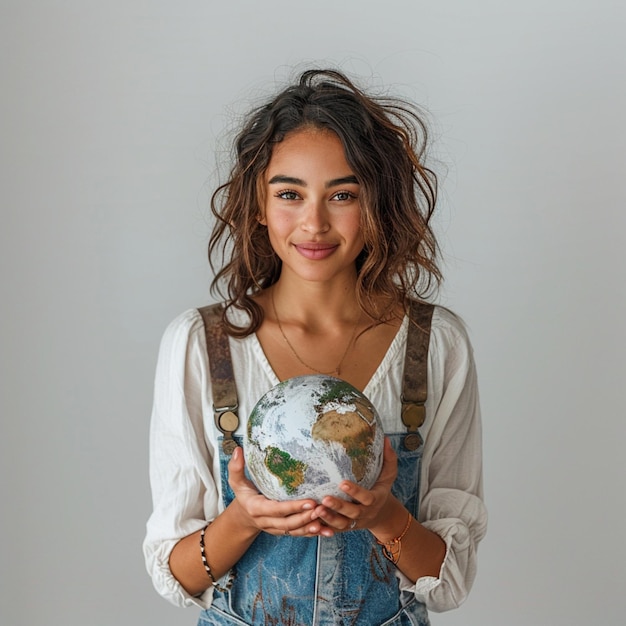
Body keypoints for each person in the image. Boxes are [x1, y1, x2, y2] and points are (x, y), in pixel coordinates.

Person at [143, 69, 487, 626]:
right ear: (258, 204)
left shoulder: (436, 343)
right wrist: (245, 519)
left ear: (377, 205)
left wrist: (383, 515)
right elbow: (175, 574)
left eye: (343, 195)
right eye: (289, 194)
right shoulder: (202, 345)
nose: (315, 223)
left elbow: (449, 582)